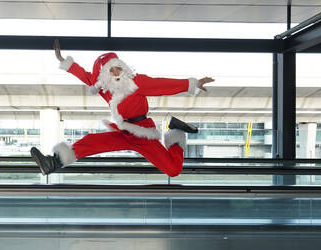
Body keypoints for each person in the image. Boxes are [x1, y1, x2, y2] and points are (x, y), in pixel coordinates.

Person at [30, 39, 215, 177]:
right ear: (105, 75)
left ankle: (175, 131)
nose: (117, 72)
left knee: (173, 170)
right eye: (111, 70)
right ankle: (53, 162)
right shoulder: (106, 89)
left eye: (118, 68)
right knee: (92, 141)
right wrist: (64, 61)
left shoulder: (137, 82)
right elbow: (87, 77)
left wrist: (192, 84)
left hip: (143, 133)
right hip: (124, 132)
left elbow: (162, 85)